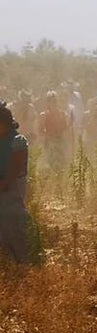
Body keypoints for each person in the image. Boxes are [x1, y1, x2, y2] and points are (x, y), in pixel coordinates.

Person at [0, 101, 33, 264]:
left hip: (12, 188)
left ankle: (25, 264)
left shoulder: (17, 140)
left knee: (14, 222)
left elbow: (16, 168)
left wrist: (5, 184)